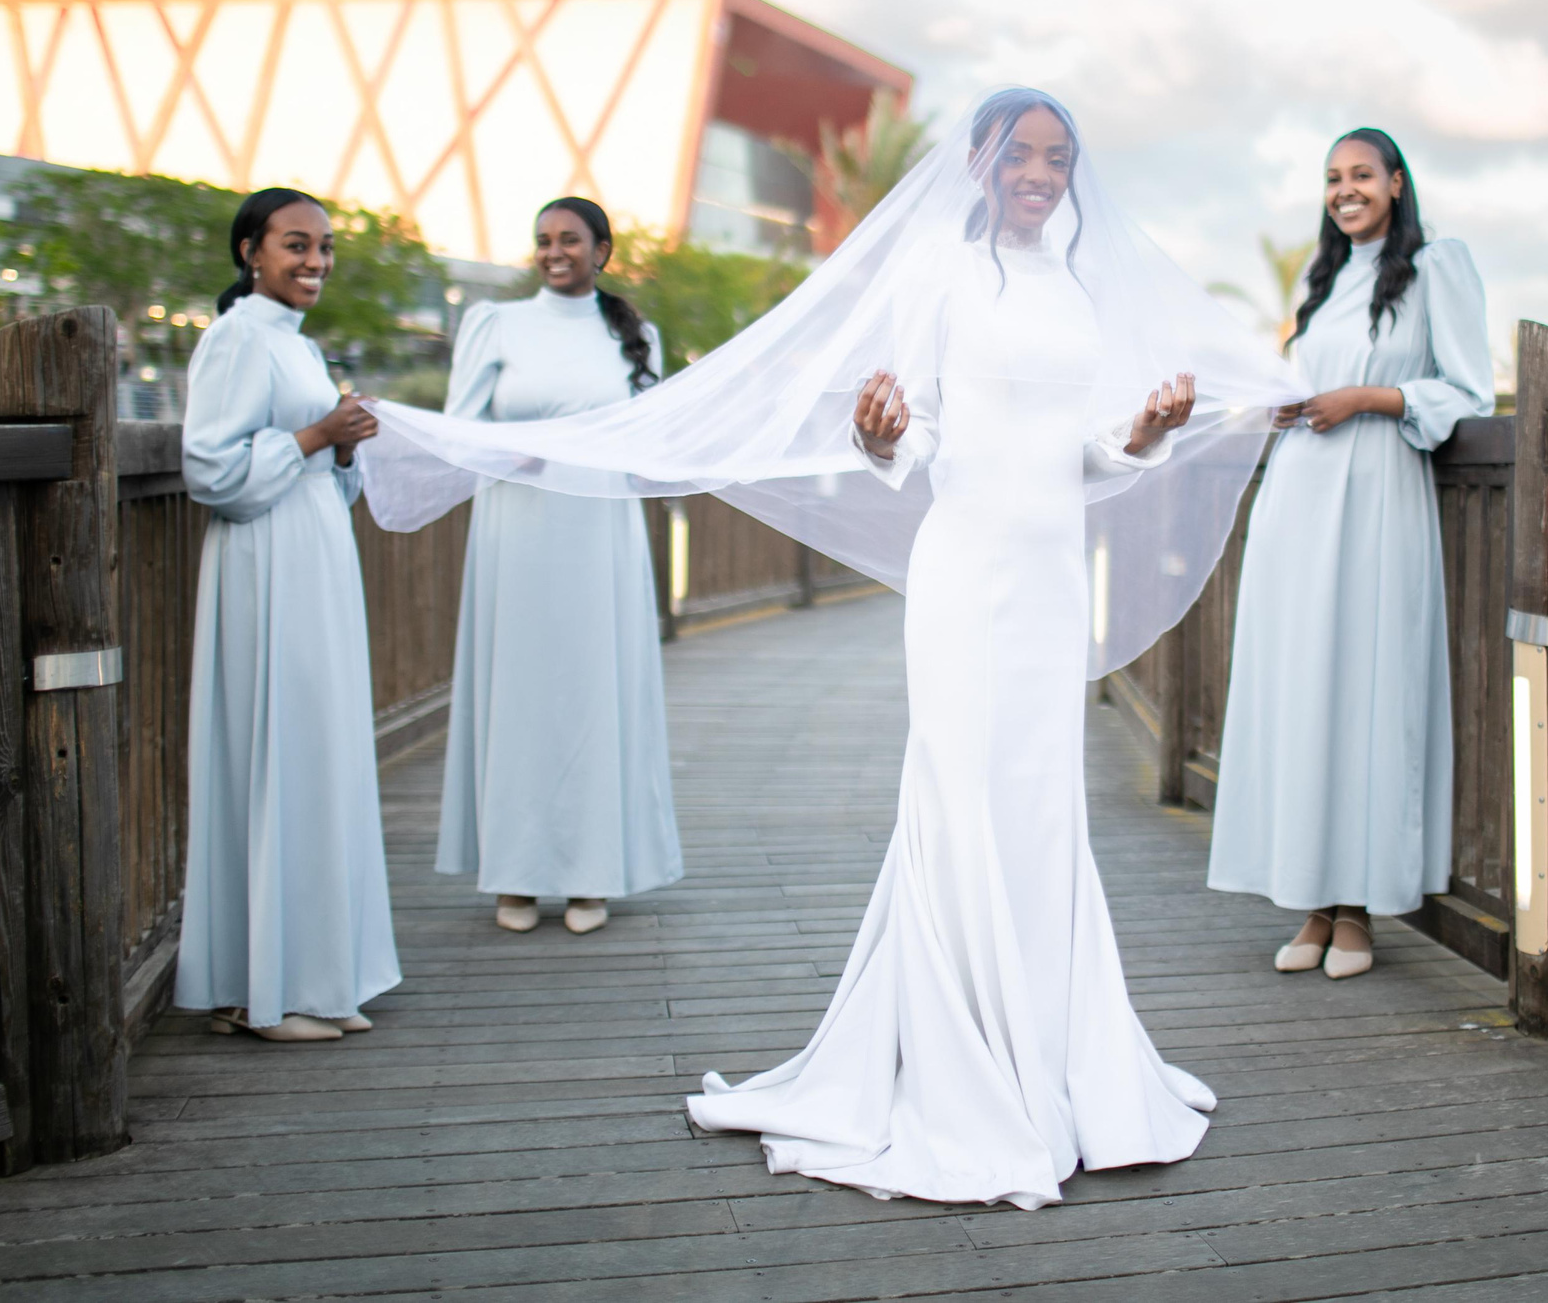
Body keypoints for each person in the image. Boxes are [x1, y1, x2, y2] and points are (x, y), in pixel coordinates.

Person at [357, 88, 1299, 1209]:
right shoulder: (939, 278)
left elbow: (1085, 458)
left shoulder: (1079, 291)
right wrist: (878, 435)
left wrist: (1145, 432)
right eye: (1019, 153)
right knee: (955, 796)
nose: (1040, 173)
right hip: (965, 573)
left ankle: (1057, 1058)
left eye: (1058, 155)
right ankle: (954, 1067)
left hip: (1050, 580)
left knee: (1040, 805)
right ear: (977, 160)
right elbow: (913, 434)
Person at [1204, 127, 1492, 979]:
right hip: (1299, 498)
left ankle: (1360, 910)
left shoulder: (1440, 267)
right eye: (1333, 178)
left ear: (1397, 184)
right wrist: (1288, 404)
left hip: (1375, 498)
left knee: (1366, 685)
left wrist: (1365, 398)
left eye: (1361, 174)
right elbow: (1305, 375)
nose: (1345, 189)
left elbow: (1467, 389)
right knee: (1304, 687)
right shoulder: (1320, 278)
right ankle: (1313, 903)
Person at [177, 188, 402, 1043]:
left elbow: (318, 473)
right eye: (295, 245)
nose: (314, 261)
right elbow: (211, 469)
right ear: (250, 252)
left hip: (313, 563)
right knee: (279, 751)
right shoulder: (236, 337)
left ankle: (317, 971)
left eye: (324, 248)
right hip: (264, 568)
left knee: (317, 752)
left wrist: (340, 445)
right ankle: (259, 990)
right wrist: (314, 438)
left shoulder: (294, 345)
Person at [438, 197, 681, 934]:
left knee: (590, 694)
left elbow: (649, 446)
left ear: (601, 249)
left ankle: (589, 874)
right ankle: (514, 874)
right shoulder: (496, 324)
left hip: (599, 533)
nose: (553, 251)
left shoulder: (637, 335)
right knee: (519, 694)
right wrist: (506, 449)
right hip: (518, 529)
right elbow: (457, 429)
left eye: (569, 240)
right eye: (543, 240)